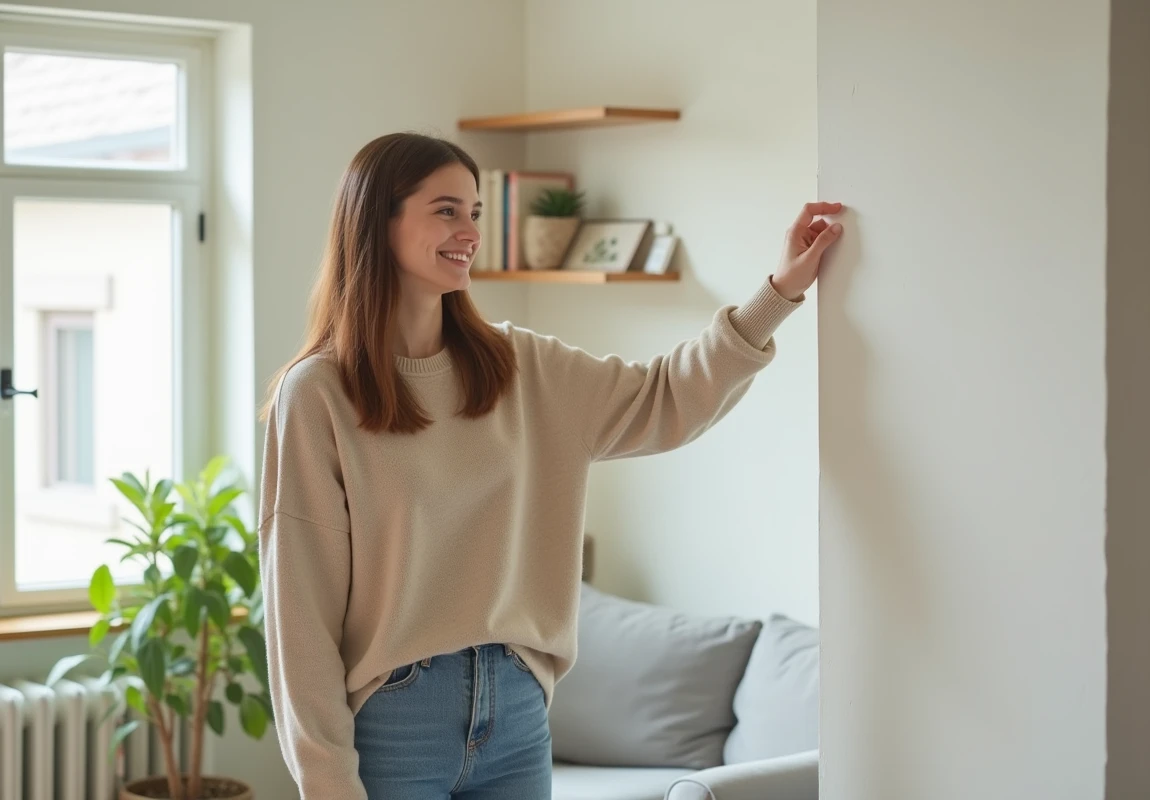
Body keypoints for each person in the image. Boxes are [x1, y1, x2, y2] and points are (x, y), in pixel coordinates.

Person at [258, 131, 843, 800]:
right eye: (446, 210)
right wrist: (326, 781)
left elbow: (665, 399)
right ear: (376, 221)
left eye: (476, 212)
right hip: (396, 719)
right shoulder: (319, 395)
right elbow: (299, 613)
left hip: (517, 709)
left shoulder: (520, 366)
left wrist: (778, 292)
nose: (469, 231)